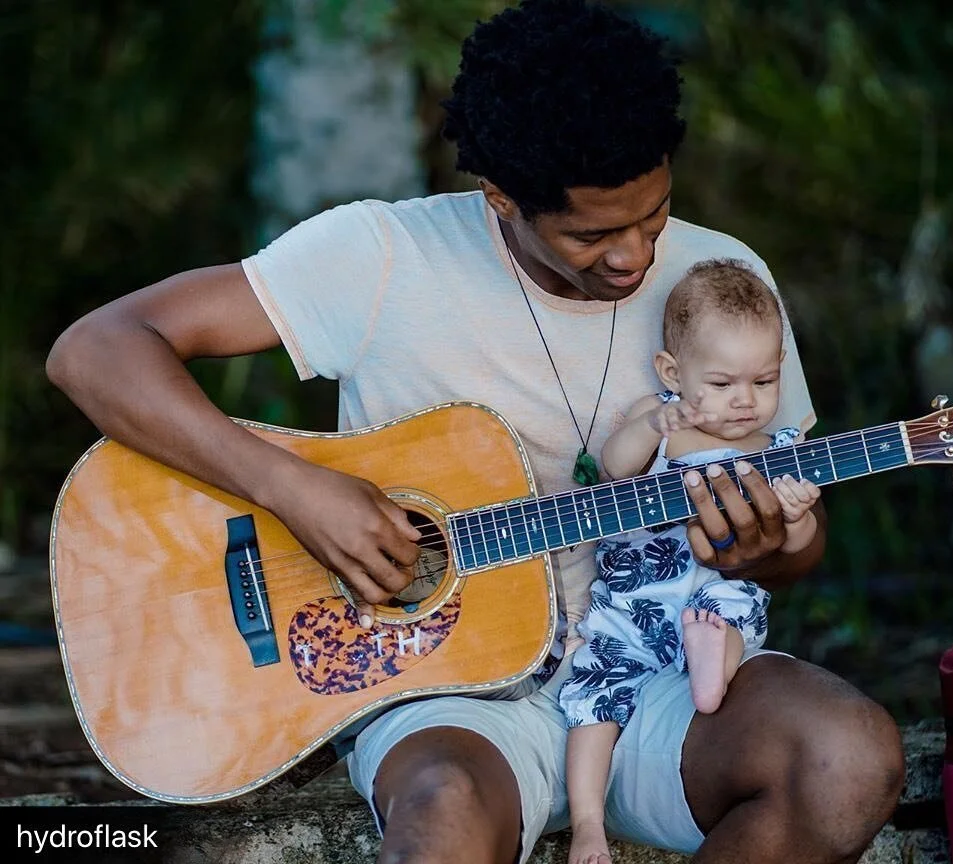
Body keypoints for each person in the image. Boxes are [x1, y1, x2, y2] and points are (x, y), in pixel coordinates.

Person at [45, 1, 903, 862]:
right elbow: (98, 350)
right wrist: (291, 488)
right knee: (443, 809)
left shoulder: (722, 281)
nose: (634, 257)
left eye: (654, 215)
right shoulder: (383, 258)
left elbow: (797, 542)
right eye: (592, 234)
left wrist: (765, 548)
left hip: (669, 673)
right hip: (445, 698)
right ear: (500, 196)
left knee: (845, 757)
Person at [560, 258, 821, 864]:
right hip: (634, 605)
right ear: (673, 373)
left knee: (731, 605)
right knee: (594, 701)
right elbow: (614, 467)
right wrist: (654, 424)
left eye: (764, 381)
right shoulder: (660, 425)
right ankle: (587, 824)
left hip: (711, 598)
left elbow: (794, 542)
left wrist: (799, 514)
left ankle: (711, 671)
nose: (745, 401)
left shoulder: (780, 451)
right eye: (723, 384)